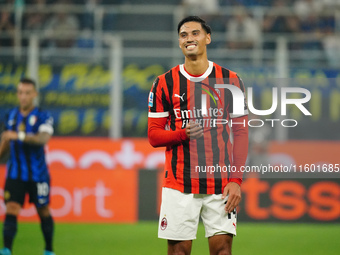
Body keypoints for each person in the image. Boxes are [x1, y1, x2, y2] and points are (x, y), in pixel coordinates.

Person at [148, 16, 249, 255]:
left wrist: (236, 180)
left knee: (222, 251)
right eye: (183, 35)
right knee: (178, 252)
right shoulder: (163, 83)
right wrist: (183, 133)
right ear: (179, 42)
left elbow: (241, 133)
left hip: (220, 184)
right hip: (179, 184)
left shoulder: (231, 80)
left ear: (208, 38)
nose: (189, 38)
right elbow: (154, 136)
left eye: (195, 33)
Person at [0, 78, 55, 255]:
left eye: (27, 93)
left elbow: (43, 139)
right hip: (15, 173)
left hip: (38, 174)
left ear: (34, 94)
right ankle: (7, 249)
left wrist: (19, 136)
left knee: (43, 209)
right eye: (21, 92)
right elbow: (7, 141)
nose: (23, 97)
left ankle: (48, 250)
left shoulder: (43, 116)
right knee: (12, 208)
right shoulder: (10, 116)